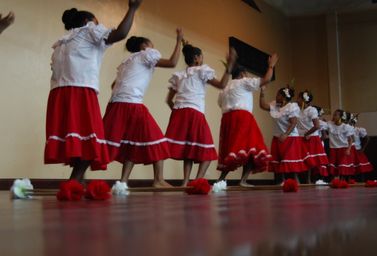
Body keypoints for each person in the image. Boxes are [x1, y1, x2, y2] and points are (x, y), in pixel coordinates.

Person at [44, 0, 142, 181]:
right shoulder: (89, 31)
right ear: (88, 21)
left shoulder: (61, 44)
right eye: (97, 21)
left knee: (77, 139)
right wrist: (133, 9)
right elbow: (120, 33)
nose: (100, 25)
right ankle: (75, 180)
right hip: (80, 92)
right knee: (89, 138)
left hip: (59, 94)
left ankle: (77, 180)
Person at [103, 29, 184, 188]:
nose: (154, 47)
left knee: (131, 143)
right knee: (157, 139)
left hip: (116, 104)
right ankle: (158, 180)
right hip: (131, 104)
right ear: (144, 45)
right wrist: (179, 41)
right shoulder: (147, 53)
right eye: (151, 44)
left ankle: (123, 181)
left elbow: (114, 85)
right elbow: (172, 63)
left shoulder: (127, 62)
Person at [165, 43, 237, 186]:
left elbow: (168, 100)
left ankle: (185, 182)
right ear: (197, 58)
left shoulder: (179, 75)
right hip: (194, 113)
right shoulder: (202, 71)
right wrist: (229, 68)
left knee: (188, 150)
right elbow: (222, 85)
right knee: (207, 150)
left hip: (179, 114)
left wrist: (179, 113)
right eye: (201, 57)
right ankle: (198, 181)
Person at [216, 53, 278, 186]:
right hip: (242, 118)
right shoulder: (244, 82)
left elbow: (220, 103)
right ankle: (243, 180)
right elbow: (266, 79)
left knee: (232, 150)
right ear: (243, 73)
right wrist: (271, 66)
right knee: (253, 148)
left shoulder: (225, 87)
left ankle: (221, 179)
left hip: (227, 120)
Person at [259, 86, 310, 183]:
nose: (276, 96)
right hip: (278, 137)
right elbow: (263, 106)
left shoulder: (291, 107)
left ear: (283, 97)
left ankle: (296, 182)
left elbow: (293, 122)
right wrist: (262, 93)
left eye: (278, 94)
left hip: (290, 137)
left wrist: (286, 134)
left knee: (290, 161)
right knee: (279, 160)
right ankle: (282, 182)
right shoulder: (275, 105)